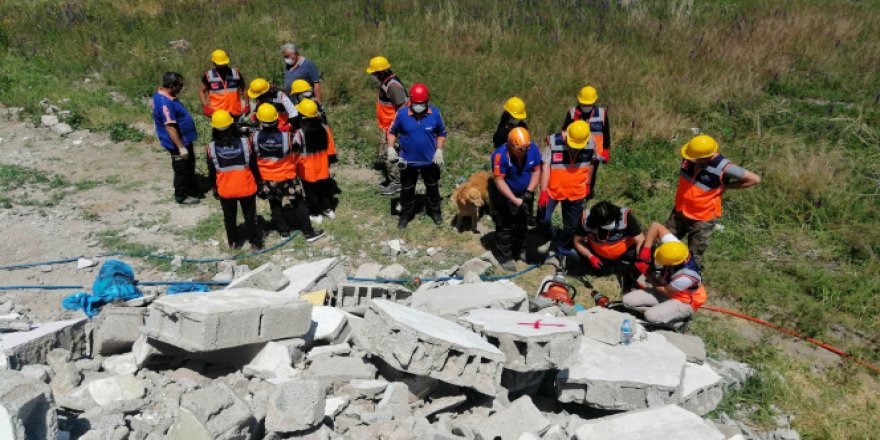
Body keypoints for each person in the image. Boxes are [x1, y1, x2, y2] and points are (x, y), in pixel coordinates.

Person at [667, 134, 761, 267]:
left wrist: (726, 186)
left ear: (706, 156)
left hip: (702, 217)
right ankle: (661, 272)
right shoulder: (690, 155)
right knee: (666, 243)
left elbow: (755, 179)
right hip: (680, 210)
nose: (690, 158)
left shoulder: (724, 166)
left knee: (694, 255)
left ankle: (691, 281)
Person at [251, 104, 325, 242]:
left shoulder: (254, 137)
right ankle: (308, 233)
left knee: (275, 203)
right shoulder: (288, 137)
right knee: (298, 203)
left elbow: (253, 155)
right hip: (287, 177)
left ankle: (284, 231)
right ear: (276, 119)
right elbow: (297, 150)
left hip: (267, 178)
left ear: (260, 120)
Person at [622, 222, 707, 329]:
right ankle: (664, 311)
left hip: (684, 300)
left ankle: (680, 323)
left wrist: (647, 272)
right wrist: (646, 249)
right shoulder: (675, 247)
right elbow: (655, 226)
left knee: (650, 316)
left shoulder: (685, 277)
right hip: (668, 291)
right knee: (627, 301)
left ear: (672, 263)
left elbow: (665, 292)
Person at [537, 120, 603, 256]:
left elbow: (591, 164)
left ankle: (563, 247)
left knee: (571, 225)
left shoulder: (591, 142)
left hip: (576, 190)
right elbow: (545, 167)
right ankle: (550, 236)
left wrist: (588, 184)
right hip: (553, 189)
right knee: (544, 218)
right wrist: (543, 191)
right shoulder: (554, 142)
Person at [387, 83, 447, 229]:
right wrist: (390, 148)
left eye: (422, 103)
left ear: (427, 101)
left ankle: (435, 212)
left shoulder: (435, 113)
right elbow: (392, 132)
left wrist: (439, 150)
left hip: (429, 160)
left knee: (432, 187)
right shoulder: (402, 114)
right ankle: (406, 215)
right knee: (407, 188)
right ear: (411, 101)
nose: (418, 106)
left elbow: (442, 133)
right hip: (408, 161)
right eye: (416, 103)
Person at [206, 110, 262, 250]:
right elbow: (254, 165)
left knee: (229, 217)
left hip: (225, 189)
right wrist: (259, 182)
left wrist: (214, 187)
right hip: (246, 187)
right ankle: (255, 242)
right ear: (232, 125)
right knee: (250, 216)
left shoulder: (211, 148)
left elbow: (212, 171)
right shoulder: (245, 143)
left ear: (215, 128)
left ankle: (233, 242)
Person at [490, 127, 542, 271]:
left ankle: (520, 250)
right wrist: (515, 199)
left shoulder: (533, 149)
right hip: (506, 195)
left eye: (526, 149)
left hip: (525, 193)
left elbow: (537, 171)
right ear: (511, 145)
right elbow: (499, 181)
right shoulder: (500, 156)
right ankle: (504, 256)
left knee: (523, 222)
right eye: (520, 149)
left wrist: (529, 192)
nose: (524, 152)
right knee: (505, 226)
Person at [573, 201, 645, 293]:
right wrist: (590, 256)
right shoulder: (586, 219)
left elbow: (640, 240)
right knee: (573, 254)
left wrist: (640, 258)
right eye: (605, 224)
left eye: (610, 222)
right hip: (598, 253)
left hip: (625, 252)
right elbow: (577, 241)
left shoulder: (625, 217)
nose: (609, 224)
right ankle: (598, 268)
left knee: (648, 252)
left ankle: (630, 281)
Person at [151, 71, 200, 205]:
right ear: (172, 85)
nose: (182, 87)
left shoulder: (167, 96)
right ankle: (182, 196)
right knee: (181, 169)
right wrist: (180, 147)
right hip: (177, 143)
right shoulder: (164, 103)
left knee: (189, 166)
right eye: (180, 85)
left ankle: (191, 188)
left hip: (184, 140)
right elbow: (170, 127)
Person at [366, 56, 408, 195]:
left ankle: (397, 183)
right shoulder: (386, 82)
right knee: (389, 153)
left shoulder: (393, 86)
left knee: (388, 154)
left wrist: (394, 128)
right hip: (387, 125)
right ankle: (400, 180)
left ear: (380, 72)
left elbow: (402, 109)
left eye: (373, 73)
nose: (372, 75)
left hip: (393, 127)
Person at [293, 99, 337, 225]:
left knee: (310, 192)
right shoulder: (324, 127)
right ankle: (328, 209)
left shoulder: (299, 133)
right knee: (324, 189)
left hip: (307, 170)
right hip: (322, 166)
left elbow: (295, 151)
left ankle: (316, 214)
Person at [561, 85, 610, 162]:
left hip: (595, 154)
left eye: (589, 105)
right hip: (576, 152)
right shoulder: (572, 113)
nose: (586, 107)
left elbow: (606, 133)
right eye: (584, 104)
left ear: (595, 101)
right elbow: (564, 133)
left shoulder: (602, 113)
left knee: (592, 173)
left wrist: (605, 149)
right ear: (578, 101)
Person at [199, 49, 247, 120]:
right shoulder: (208, 75)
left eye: (224, 63)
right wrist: (205, 106)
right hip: (218, 115)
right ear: (214, 63)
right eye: (220, 64)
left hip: (235, 113)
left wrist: (247, 105)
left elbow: (245, 88)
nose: (223, 66)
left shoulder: (236, 73)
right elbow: (201, 91)